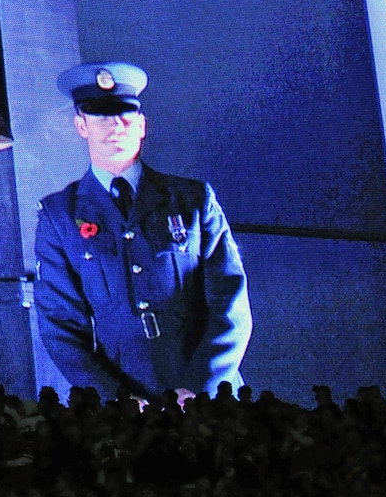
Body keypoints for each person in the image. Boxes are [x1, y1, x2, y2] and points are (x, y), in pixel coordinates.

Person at [33, 62, 251, 401]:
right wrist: (117, 398)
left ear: (142, 125)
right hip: (126, 401)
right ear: (81, 125)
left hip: (208, 393)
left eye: (124, 115)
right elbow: (61, 328)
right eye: (101, 116)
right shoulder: (60, 216)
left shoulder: (192, 201)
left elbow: (231, 303)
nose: (115, 126)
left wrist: (196, 387)